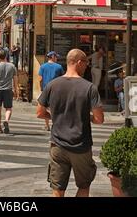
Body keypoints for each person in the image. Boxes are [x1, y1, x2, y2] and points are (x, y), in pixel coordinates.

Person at [37, 49, 104, 198]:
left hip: (58, 145)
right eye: (86, 62)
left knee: (58, 189)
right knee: (84, 186)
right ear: (79, 62)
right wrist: (87, 117)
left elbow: (39, 113)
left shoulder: (52, 85)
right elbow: (99, 119)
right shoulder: (89, 88)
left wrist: (56, 116)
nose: (87, 65)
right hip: (80, 146)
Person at [0, 49, 19, 134]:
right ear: (6, 56)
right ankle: (6, 120)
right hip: (8, 90)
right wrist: (17, 91)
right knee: (8, 108)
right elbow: (15, 81)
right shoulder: (12, 66)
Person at [38, 51, 64, 131]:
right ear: (52, 57)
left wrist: (41, 88)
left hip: (45, 89)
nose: (57, 58)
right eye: (56, 57)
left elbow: (40, 79)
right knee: (54, 107)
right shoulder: (59, 67)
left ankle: (47, 125)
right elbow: (62, 79)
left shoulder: (42, 66)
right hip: (56, 90)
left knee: (45, 107)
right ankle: (54, 124)